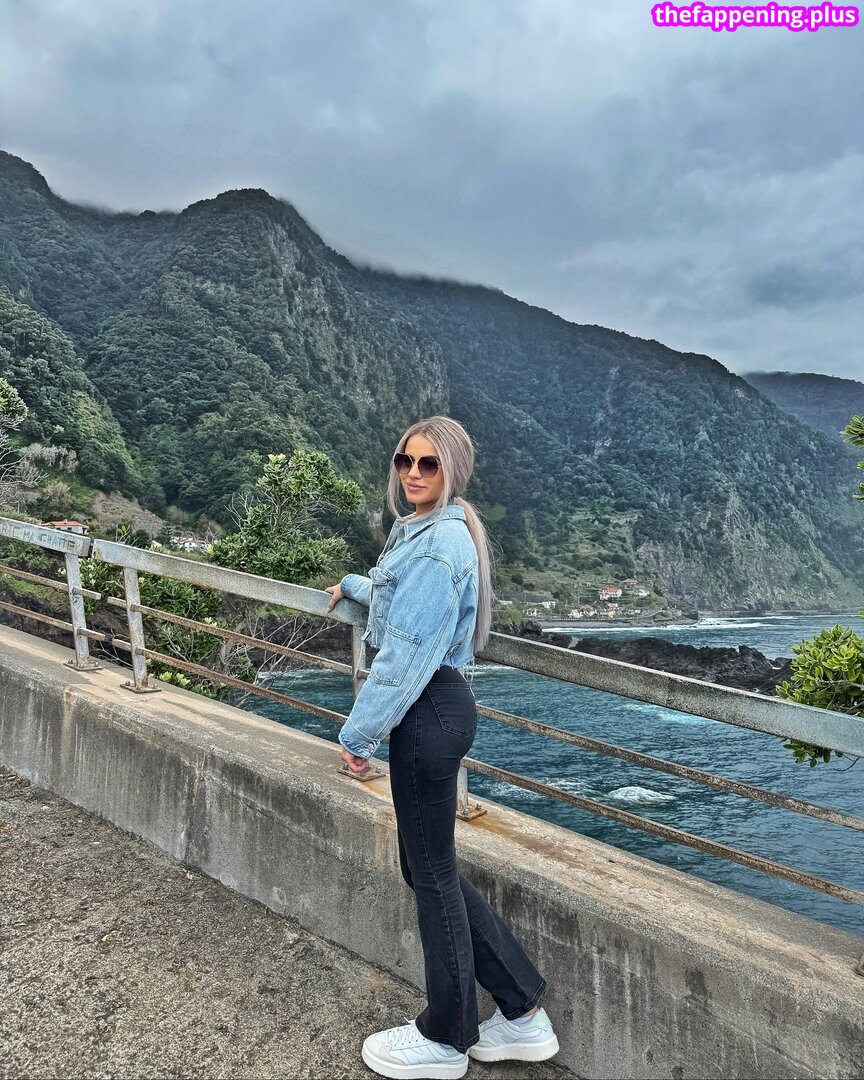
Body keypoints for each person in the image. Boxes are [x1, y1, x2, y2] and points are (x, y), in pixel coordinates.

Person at [324, 416, 559, 1080]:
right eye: (405, 460)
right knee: (428, 869)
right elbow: (401, 605)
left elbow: (404, 653)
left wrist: (358, 734)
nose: (413, 473)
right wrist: (356, 585)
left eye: (428, 463)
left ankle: (447, 1038)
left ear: (453, 469)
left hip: (426, 711)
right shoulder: (429, 533)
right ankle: (521, 1009)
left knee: (430, 875)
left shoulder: (436, 547)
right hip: (436, 709)